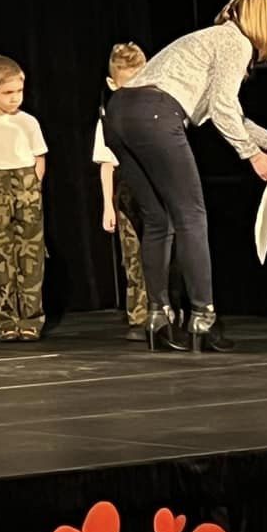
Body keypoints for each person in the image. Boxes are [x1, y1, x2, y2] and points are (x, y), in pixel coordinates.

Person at [103, 0, 267, 353]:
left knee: (158, 220)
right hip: (156, 114)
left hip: (118, 112)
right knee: (191, 216)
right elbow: (223, 108)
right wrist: (253, 156)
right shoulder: (235, 42)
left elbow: (231, 114)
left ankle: (158, 317)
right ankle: (203, 316)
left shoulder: (211, 37)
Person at [0, 56, 48, 343]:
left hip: (27, 188)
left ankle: (31, 319)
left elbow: (39, 159)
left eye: (19, 91)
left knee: (31, 256)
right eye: (7, 92)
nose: (15, 98)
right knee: (2, 258)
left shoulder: (28, 122)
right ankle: (6, 320)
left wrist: (33, 187)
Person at [92, 44, 150, 335]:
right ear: (113, 84)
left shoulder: (155, 113)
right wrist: (108, 206)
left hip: (157, 191)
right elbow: (107, 165)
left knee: (163, 254)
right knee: (133, 256)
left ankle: (167, 312)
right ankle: (139, 316)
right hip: (127, 195)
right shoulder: (108, 121)